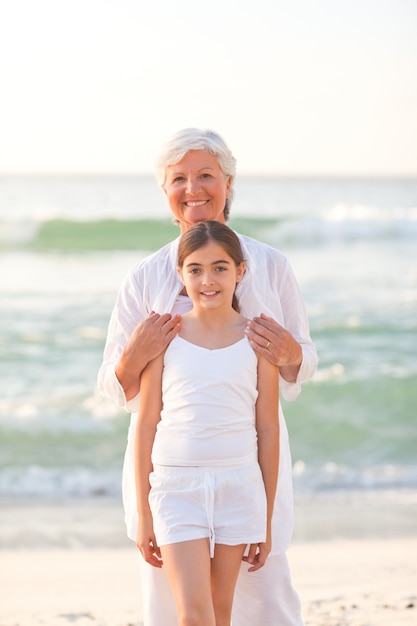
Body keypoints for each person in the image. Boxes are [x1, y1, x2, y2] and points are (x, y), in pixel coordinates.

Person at [97, 127, 318, 626]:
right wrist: (133, 356)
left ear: (228, 183)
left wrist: (289, 353)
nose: (193, 188)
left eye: (206, 176)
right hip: (174, 471)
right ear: (165, 192)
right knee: (172, 605)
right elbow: (119, 389)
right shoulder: (145, 277)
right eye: (180, 178)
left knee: (266, 599)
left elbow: (300, 366)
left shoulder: (271, 266)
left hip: (245, 468)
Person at [136, 220, 279, 626]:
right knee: (195, 616)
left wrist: (264, 520)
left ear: (240, 271)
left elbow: (267, 429)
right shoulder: (165, 337)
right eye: (195, 269)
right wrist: (145, 515)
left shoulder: (258, 340)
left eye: (220, 267)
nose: (208, 280)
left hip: (238, 485)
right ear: (181, 276)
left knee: (221, 612)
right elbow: (146, 424)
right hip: (177, 487)